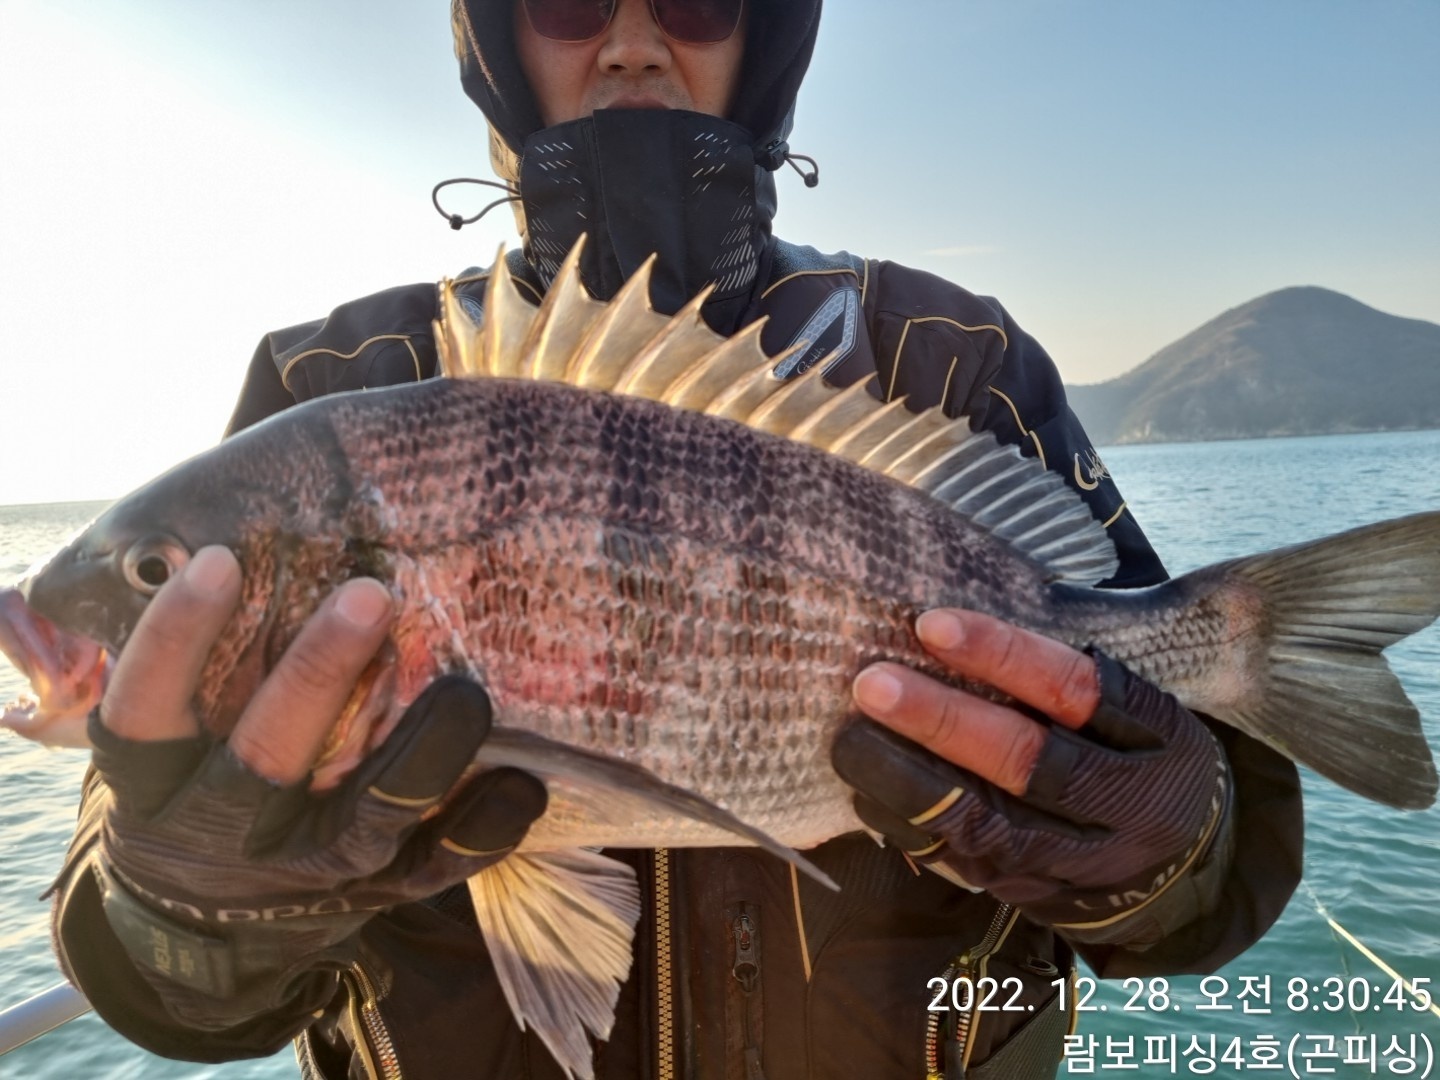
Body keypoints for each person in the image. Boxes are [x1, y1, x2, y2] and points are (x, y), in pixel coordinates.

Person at [49, 2, 1303, 1077]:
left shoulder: (951, 360)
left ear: (765, 37)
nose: (634, 46)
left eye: (698, 1)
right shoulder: (332, 381)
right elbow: (162, 969)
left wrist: (1168, 848)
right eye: (568, 2)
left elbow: (1204, 863)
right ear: (499, 41)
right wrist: (189, 913)